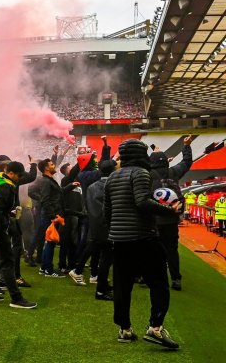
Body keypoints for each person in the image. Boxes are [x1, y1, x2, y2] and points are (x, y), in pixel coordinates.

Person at [104, 139, 181, 349]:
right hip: (143, 238)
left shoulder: (112, 177)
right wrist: (169, 210)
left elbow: (107, 212)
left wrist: (114, 231)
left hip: (119, 240)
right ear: (140, 154)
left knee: (122, 286)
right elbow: (142, 202)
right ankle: (155, 328)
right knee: (159, 284)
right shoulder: (140, 173)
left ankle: (125, 329)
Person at [0, 161, 37, 308]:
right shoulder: (5, 186)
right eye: (18, 175)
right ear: (10, 173)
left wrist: (7, 212)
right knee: (7, 261)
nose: (19, 178)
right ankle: (16, 298)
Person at [149, 137, 192, 291]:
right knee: (172, 250)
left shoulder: (147, 174)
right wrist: (186, 146)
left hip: (153, 220)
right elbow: (186, 163)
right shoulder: (173, 172)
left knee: (152, 249)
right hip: (171, 219)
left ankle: (149, 277)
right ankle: (175, 279)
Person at [72, 159, 116, 301]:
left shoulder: (92, 186)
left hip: (95, 224)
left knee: (97, 253)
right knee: (105, 259)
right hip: (108, 227)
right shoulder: (112, 186)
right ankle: (101, 290)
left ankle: (100, 283)